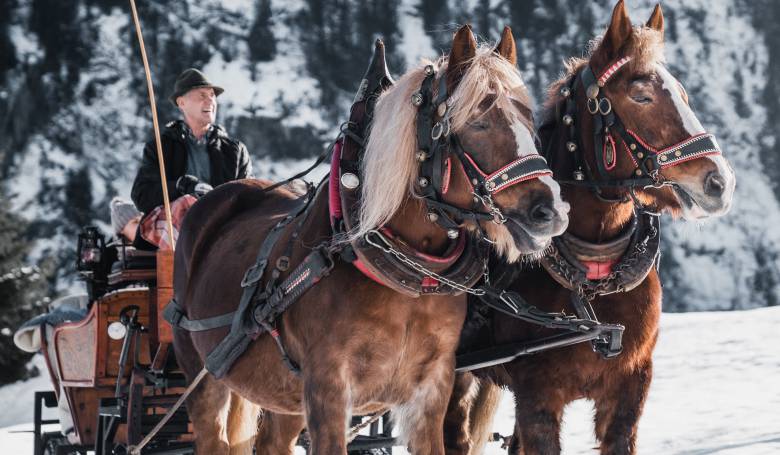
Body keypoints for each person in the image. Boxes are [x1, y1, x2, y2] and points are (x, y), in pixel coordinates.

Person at [130, 68, 253, 215]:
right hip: (176, 233)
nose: (210, 101)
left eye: (212, 95)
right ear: (181, 103)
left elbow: (250, 198)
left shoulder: (236, 151)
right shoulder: (160, 148)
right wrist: (179, 186)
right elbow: (142, 196)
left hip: (223, 231)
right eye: (202, 95)